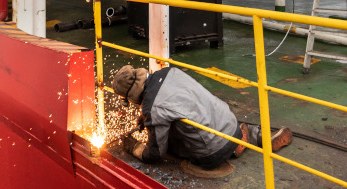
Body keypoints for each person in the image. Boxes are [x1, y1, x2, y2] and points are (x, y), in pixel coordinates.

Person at [112, 65, 292, 170]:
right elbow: (177, 104)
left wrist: (133, 147)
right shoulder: (167, 72)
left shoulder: (153, 107)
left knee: (165, 145)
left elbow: (155, 154)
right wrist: (147, 118)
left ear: (131, 95)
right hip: (227, 119)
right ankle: (248, 134)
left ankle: (229, 149)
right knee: (190, 116)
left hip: (211, 152)